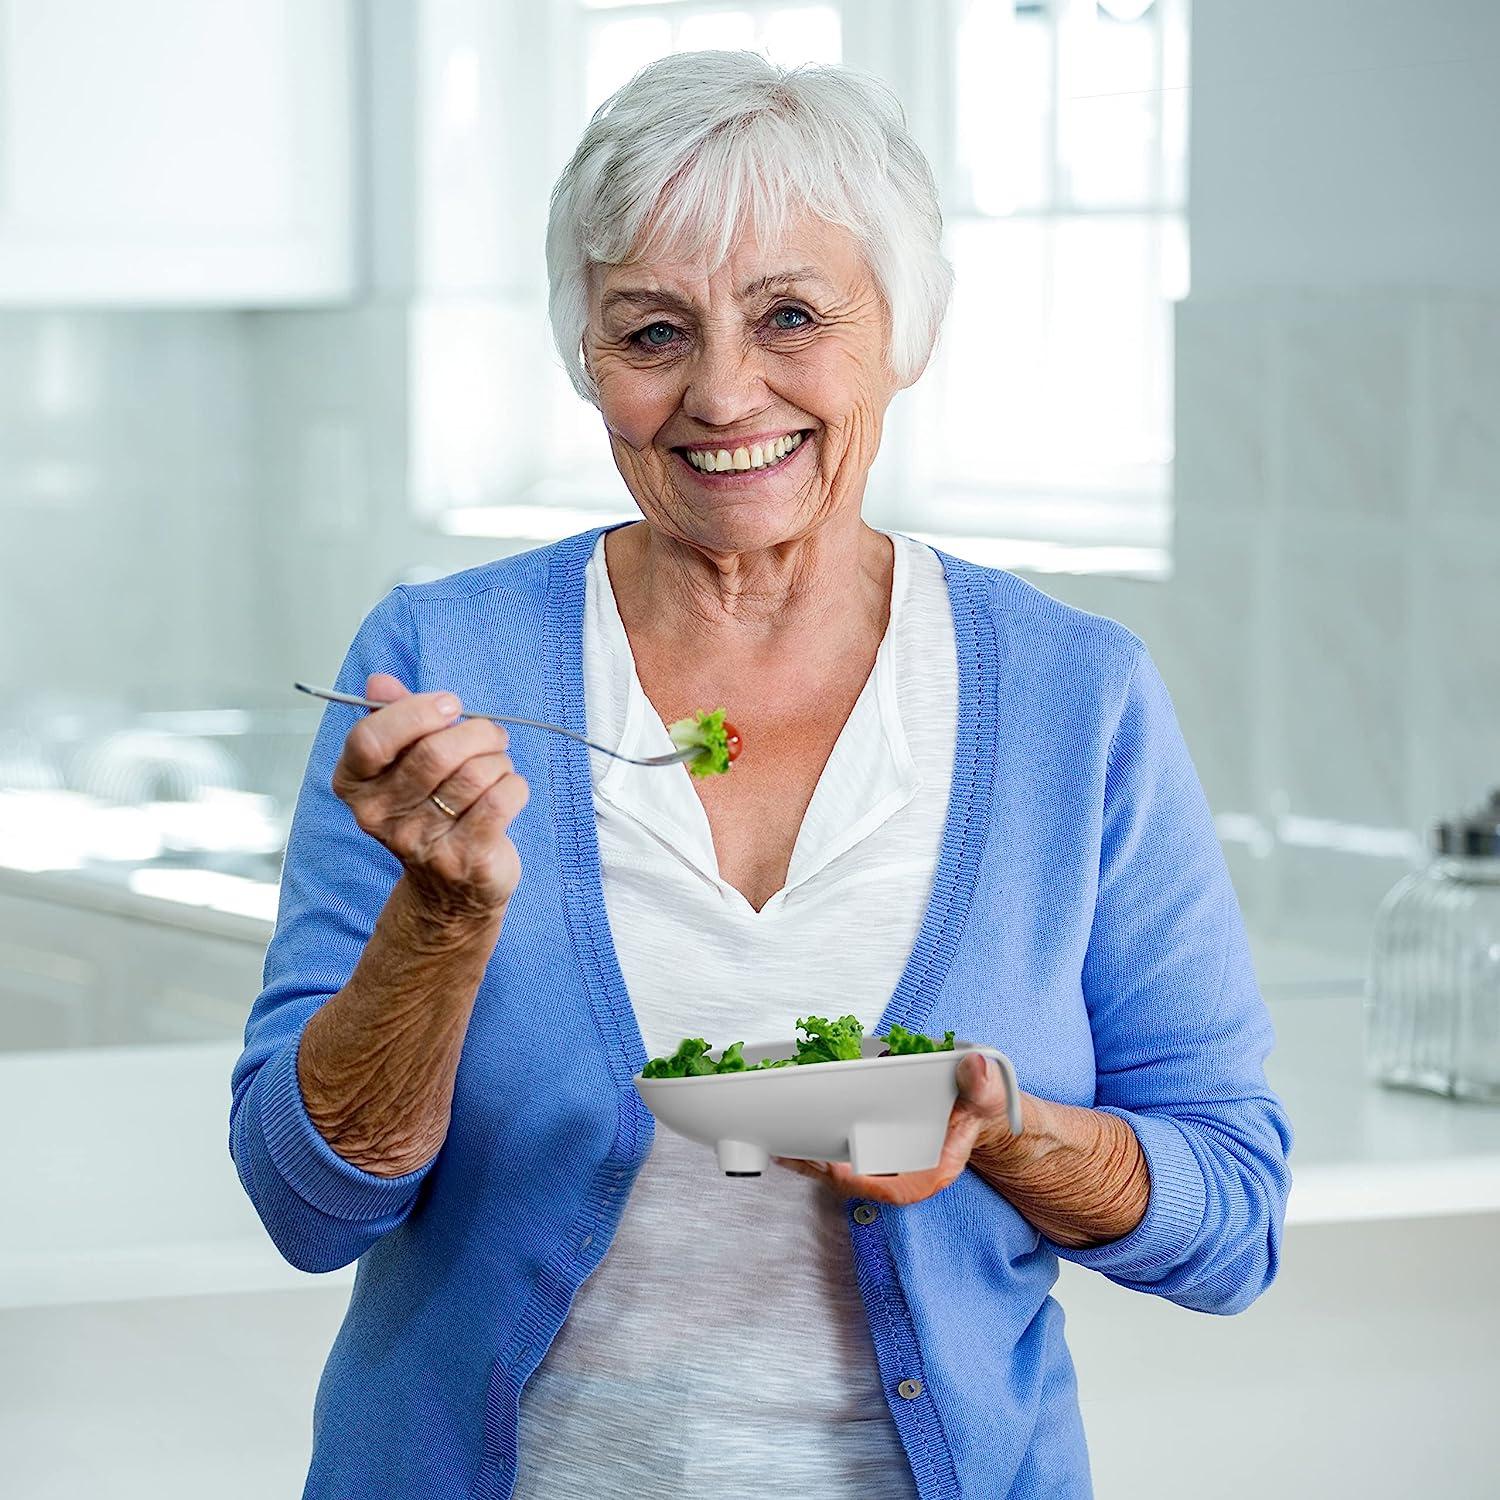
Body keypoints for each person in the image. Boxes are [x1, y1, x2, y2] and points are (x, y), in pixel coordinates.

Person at [230, 49, 1292, 1499]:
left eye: (791, 316)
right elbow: (306, 1206)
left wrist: (1009, 1132)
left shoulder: (1074, 696)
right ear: (587, 358)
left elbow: (1233, 1222)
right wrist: (443, 922)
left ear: (902, 332)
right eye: (653, 332)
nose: (725, 394)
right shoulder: (441, 663)